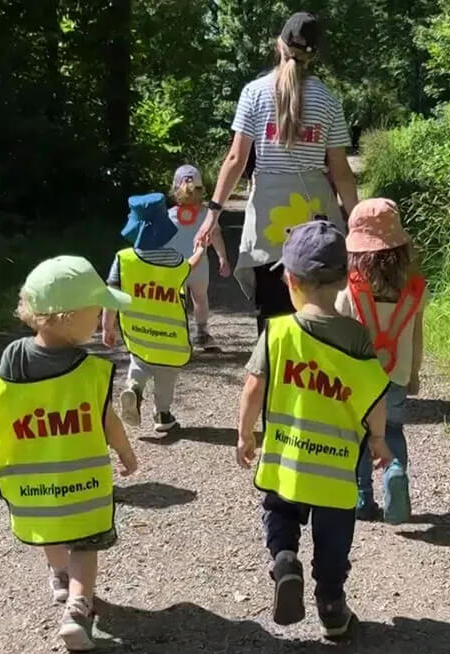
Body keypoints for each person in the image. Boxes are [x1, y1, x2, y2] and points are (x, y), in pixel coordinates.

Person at [0, 256, 139, 651]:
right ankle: (77, 607)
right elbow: (107, 420)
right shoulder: (87, 369)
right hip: (82, 486)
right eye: (95, 311)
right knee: (86, 544)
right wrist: (125, 452)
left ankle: (58, 575)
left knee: (49, 529)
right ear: (69, 318)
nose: (101, 318)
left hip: (34, 484)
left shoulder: (14, 357)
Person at [235, 220, 392, 640]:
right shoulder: (357, 337)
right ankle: (332, 604)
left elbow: (253, 387)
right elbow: (374, 396)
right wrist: (377, 438)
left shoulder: (278, 332)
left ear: (289, 279)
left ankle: (285, 558)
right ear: (344, 279)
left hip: (287, 459)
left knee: (279, 510)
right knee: (334, 536)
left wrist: (244, 433)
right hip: (337, 468)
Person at [196, 11, 359, 335]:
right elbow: (340, 172)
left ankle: (271, 380)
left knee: (272, 321)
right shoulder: (327, 100)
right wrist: (357, 224)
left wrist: (213, 212)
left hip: (269, 219)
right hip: (318, 220)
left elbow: (235, 159)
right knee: (320, 316)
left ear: (279, 44)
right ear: (313, 55)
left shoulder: (254, 93)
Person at [337, 199, 428, 524]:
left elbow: (340, 335)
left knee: (360, 436)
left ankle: (363, 498)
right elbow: (416, 338)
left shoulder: (351, 290)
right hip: (397, 375)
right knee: (391, 430)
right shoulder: (415, 291)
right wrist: (414, 372)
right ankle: (395, 471)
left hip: (359, 380)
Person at [102, 193, 207, 433]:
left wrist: (108, 327)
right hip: (170, 337)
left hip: (139, 333)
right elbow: (190, 266)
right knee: (166, 376)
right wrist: (201, 249)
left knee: (139, 363)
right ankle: (162, 414)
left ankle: (134, 388)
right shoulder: (174, 260)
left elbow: (111, 295)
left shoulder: (124, 259)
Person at [166, 165, 231, 349]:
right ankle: (202, 334)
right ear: (201, 190)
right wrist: (222, 258)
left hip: (176, 267)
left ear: (175, 189)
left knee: (176, 301)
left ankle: (176, 336)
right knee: (200, 299)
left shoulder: (168, 215)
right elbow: (216, 235)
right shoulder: (207, 215)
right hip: (200, 265)